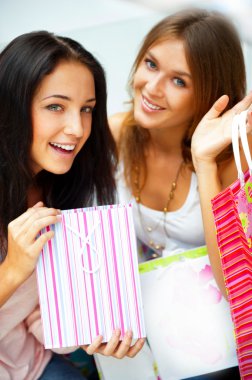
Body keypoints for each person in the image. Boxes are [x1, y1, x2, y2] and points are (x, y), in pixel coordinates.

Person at [104, 8, 252, 380]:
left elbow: (236, 285)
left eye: (179, 81)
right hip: (147, 321)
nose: (152, 88)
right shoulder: (113, 133)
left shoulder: (233, 155)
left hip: (216, 337)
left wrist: (204, 162)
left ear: (210, 93)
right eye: (151, 64)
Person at [0, 31, 144, 380]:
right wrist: (13, 269)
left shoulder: (60, 188)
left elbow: (37, 314)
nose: (77, 128)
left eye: (87, 110)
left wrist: (92, 329)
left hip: (25, 361)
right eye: (55, 106)